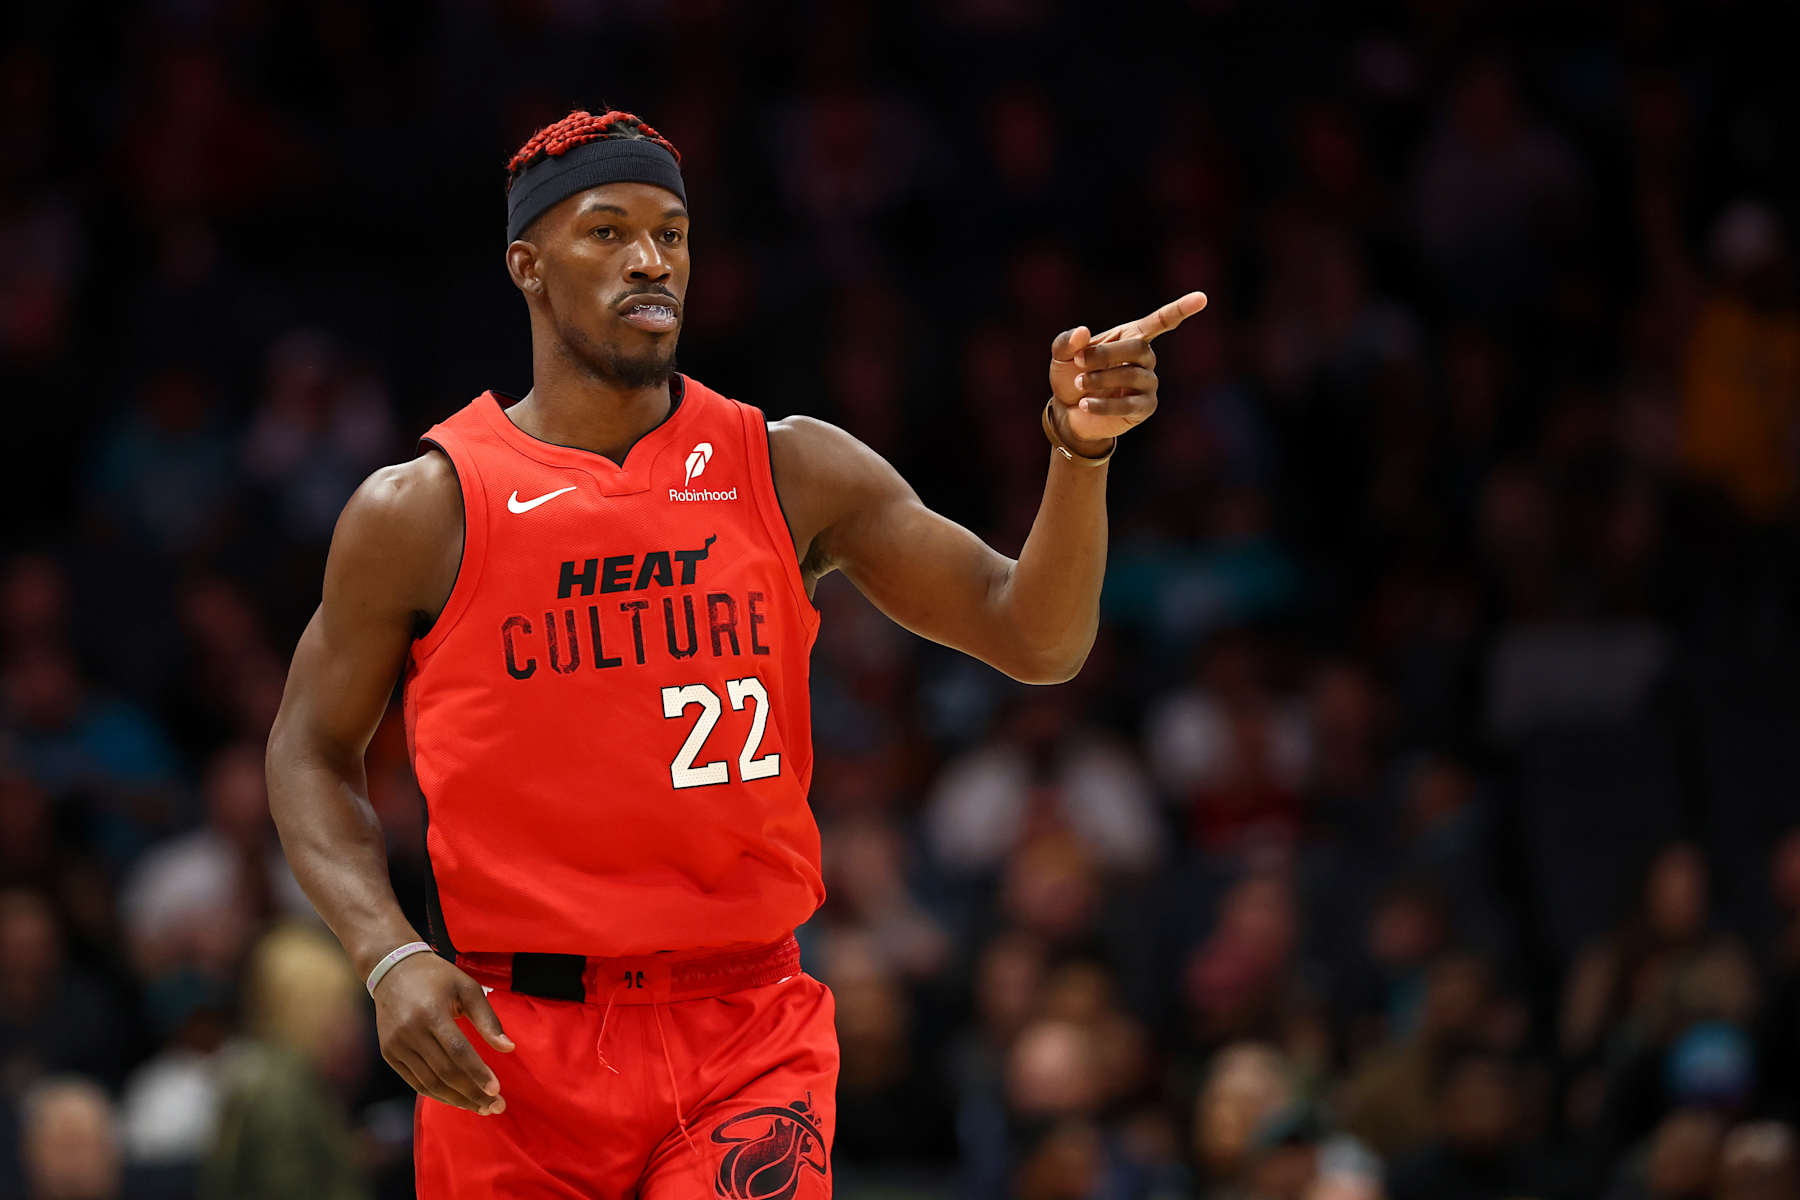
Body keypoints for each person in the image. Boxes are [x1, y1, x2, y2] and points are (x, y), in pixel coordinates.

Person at [265, 106, 1206, 1198]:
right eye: (608, 232)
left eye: (671, 233)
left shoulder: (791, 467)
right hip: (513, 1044)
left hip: (744, 1030)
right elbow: (307, 750)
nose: (650, 259)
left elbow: (1036, 639)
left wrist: (1079, 455)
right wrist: (387, 954)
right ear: (528, 266)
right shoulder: (424, 509)